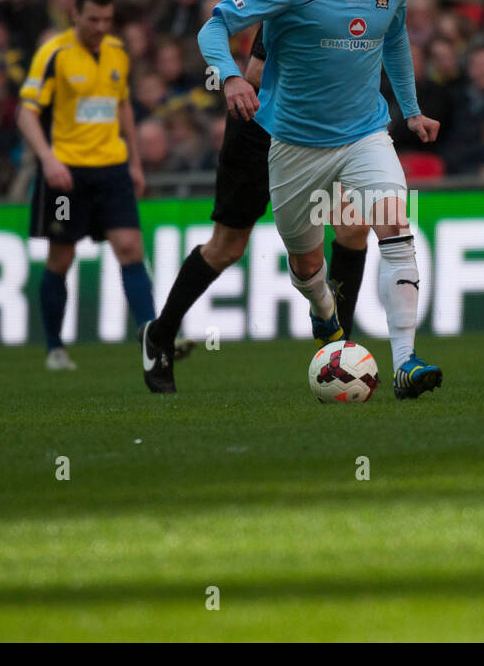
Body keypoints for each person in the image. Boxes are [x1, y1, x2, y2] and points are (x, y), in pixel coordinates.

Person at [196, 0, 444, 400]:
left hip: (365, 134)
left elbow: (395, 39)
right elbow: (214, 25)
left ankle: (405, 361)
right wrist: (233, 76)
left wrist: (412, 109)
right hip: (293, 144)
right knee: (309, 264)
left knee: (395, 228)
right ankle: (324, 313)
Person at [138, 21, 372, 394]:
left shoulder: (361, 3)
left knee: (354, 226)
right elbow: (256, 73)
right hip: (258, 134)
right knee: (226, 248)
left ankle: (338, 351)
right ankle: (160, 333)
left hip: (318, 135)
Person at [17, 0, 153, 372]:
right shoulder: (53, 53)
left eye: (106, 20)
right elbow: (25, 113)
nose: (99, 27)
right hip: (67, 171)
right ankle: (55, 348)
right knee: (62, 255)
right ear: (75, 14)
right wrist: (47, 160)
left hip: (111, 167)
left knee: (130, 247)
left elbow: (122, 105)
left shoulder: (116, 53)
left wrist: (135, 162)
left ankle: (151, 335)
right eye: (92, 19)